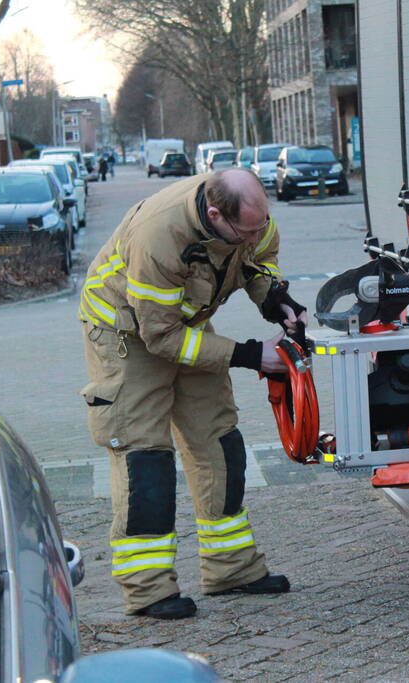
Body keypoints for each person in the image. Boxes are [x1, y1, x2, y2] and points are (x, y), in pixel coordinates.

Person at [77, 168, 307, 620]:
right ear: (215, 214)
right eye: (246, 229)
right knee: (145, 456)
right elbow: (160, 337)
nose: (257, 233)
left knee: (219, 442)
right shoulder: (158, 235)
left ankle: (232, 568)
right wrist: (249, 355)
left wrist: (276, 300)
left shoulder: (252, 217)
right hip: (127, 335)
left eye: (261, 224)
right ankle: (147, 590)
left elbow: (258, 260)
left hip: (185, 326)